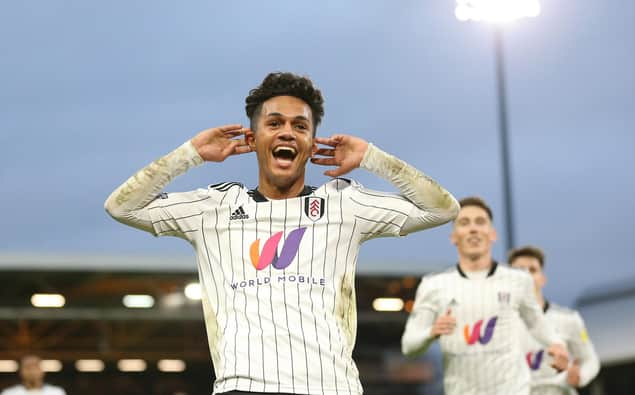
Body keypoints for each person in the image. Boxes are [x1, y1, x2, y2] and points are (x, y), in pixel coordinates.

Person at [104, 72, 460, 395]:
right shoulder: (213, 207)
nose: (287, 132)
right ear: (254, 138)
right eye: (274, 123)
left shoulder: (344, 203)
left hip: (332, 387)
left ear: (310, 141)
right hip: (242, 387)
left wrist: (373, 158)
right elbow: (122, 207)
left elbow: (441, 209)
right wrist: (190, 154)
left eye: (300, 126)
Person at [401, 196, 569, 395]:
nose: (473, 228)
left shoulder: (518, 280)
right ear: (453, 237)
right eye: (464, 222)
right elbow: (409, 345)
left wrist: (557, 344)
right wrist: (431, 332)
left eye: (480, 222)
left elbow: (535, 321)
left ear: (492, 234)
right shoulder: (434, 285)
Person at [508, 246, 600, 394]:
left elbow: (590, 360)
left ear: (542, 279)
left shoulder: (568, 319)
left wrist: (580, 376)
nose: (526, 276)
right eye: (519, 270)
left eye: (532, 270)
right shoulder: (501, 324)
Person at [0, 355, 66, 395]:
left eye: (35, 367)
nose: (32, 371)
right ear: (21, 372)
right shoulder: (9, 393)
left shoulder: (56, 392)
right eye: (28, 367)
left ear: (42, 371)